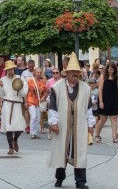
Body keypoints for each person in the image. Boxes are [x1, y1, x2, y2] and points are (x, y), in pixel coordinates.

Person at [48, 52, 95, 189]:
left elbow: (88, 108)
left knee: (80, 152)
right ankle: (59, 178)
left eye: (77, 71)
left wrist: (90, 124)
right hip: (62, 125)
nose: (75, 73)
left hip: (79, 126)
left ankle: (80, 182)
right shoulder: (57, 88)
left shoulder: (86, 89)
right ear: (66, 73)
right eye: (72, 71)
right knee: (62, 150)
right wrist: (54, 123)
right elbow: (53, 107)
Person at [0, 60, 28, 155]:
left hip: (17, 105)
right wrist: (0, 86)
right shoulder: (3, 80)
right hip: (7, 105)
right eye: (8, 70)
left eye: (11, 69)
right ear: (6, 70)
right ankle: (10, 147)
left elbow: (24, 92)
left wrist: (19, 88)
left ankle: (15, 139)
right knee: (8, 127)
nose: (10, 71)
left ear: (14, 69)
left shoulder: (20, 78)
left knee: (19, 127)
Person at [95, 62, 118, 143]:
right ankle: (97, 135)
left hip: (114, 99)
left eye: (113, 69)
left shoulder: (116, 77)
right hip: (105, 99)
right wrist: (101, 101)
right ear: (107, 68)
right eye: (110, 69)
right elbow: (100, 89)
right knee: (103, 118)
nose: (111, 71)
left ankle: (114, 137)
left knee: (114, 118)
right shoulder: (103, 76)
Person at [26, 67, 47, 139]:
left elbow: (45, 92)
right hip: (31, 100)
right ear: (34, 73)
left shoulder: (43, 82)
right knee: (33, 116)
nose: (39, 74)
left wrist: (44, 97)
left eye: (40, 72)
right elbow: (26, 92)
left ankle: (35, 133)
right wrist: (26, 102)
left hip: (39, 102)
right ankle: (32, 133)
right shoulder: (30, 81)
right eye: (37, 72)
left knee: (38, 118)